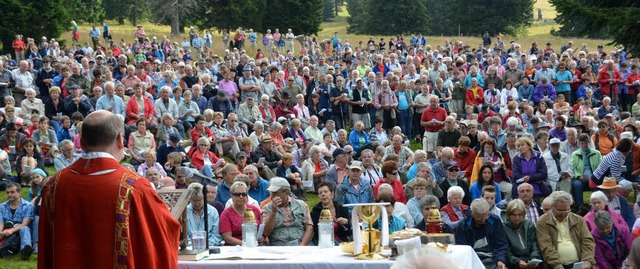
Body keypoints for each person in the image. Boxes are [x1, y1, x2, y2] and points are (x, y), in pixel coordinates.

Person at [39, 110, 180, 268]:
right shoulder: (134, 187)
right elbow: (162, 234)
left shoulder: (54, 185)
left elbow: (47, 249)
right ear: (120, 139)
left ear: (82, 142)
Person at [536, 191, 595, 269]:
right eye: (560, 210)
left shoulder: (578, 220)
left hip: (579, 264)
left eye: (567, 210)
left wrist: (587, 261)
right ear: (552, 207)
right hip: (554, 266)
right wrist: (557, 265)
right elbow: (546, 246)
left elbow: (587, 241)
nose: (564, 213)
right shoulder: (543, 221)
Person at [455, 198, 508, 269]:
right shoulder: (462, 226)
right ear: (471, 212)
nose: (483, 220)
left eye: (486, 216)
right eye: (479, 217)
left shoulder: (495, 220)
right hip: (473, 261)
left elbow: (501, 244)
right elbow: (463, 251)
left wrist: (500, 260)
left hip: (493, 258)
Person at [261, 177, 313, 246]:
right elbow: (265, 233)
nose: (272, 196)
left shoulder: (301, 205)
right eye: (271, 193)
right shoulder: (267, 208)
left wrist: (302, 245)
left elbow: (309, 227)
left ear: (286, 192)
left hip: (299, 243)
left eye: (275, 193)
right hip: (277, 246)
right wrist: (273, 212)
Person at [219, 181, 262, 246]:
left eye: (244, 194)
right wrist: (246, 244)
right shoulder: (226, 214)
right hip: (235, 248)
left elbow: (261, 229)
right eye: (237, 194)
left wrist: (262, 237)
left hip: (256, 245)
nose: (241, 197)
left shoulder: (255, 210)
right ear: (232, 196)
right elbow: (227, 238)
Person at [503, 199, 542, 269]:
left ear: (524, 214)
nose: (517, 218)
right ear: (508, 215)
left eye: (520, 214)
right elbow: (506, 251)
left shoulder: (529, 225)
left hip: (530, 259)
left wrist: (534, 259)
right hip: (514, 263)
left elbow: (534, 244)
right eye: (514, 215)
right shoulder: (504, 228)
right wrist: (517, 261)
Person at [0, 182, 34, 260]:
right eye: (7, 192)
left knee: (24, 228)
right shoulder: (1, 206)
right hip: (7, 232)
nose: (9, 194)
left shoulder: (28, 206)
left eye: (12, 192)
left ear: (19, 193)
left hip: (22, 232)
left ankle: (24, 251)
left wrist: (12, 230)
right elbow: (1, 222)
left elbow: (25, 223)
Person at [186, 182, 222, 247]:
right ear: (189, 199)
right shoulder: (185, 212)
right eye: (194, 200)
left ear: (204, 198)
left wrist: (205, 245)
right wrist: (191, 245)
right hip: (190, 248)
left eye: (199, 200)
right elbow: (184, 236)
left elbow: (216, 235)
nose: (197, 204)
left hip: (209, 247)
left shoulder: (213, 211)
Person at [570, 133, 602, 207]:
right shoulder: (575, 154)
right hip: (580, 178)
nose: (584, 145)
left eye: (586, 143)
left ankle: (597, 205)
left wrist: (593, 177)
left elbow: (600, 167)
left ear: (589, 142)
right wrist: (579, 176)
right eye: (582, 143)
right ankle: (579, 206)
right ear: (579, 144)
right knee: (577, 184)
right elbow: (573, 168)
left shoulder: (597, 153)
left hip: (594, 177)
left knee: (597, 184)